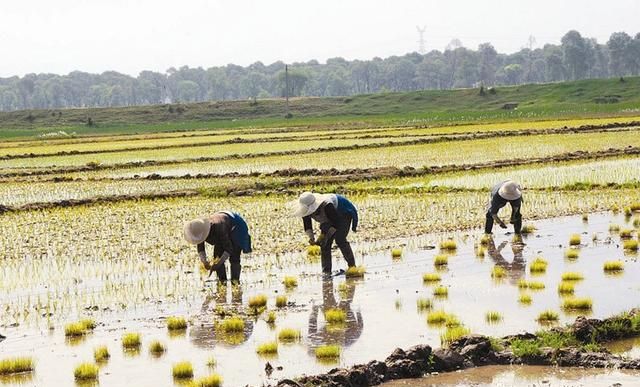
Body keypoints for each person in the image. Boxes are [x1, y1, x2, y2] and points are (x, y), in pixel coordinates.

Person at [291, 192, 358, 274]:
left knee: (340, 239)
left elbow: (336, 224)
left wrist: (324, 237)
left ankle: (352, 267)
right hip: (330, 219)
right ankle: (326, 272)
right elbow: (307, 223)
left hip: (343, 213)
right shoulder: (305, 210)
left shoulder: (327, 205)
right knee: (324, 244)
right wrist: (311, 237)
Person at [183, 211, 252, 283]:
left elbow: (228, 249)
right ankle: (222, 281)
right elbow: (200, 246)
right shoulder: (200, 231)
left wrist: (218, 264)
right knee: (217, 256)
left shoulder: (219, 227)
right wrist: (205, 262)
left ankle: (235, 282)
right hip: (225, 226)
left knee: (234, 256)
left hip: (237, 226)